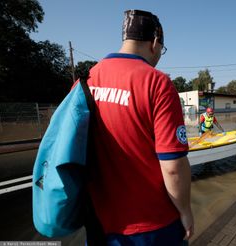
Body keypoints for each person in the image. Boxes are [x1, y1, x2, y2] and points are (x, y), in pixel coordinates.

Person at [85, 10, 194, 246]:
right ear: (155, 42)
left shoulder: (88, 78)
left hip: (98, 221)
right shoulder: (157, 83)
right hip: (152, 225)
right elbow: (173, 166)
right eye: (162, 51)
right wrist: (185, 210)